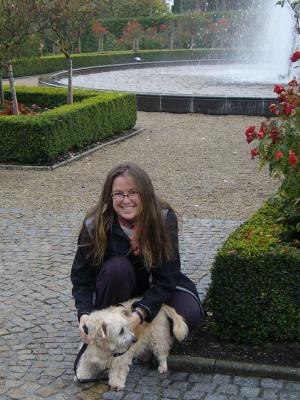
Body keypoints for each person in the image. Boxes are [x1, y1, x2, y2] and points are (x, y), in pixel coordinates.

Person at [71, 162, 204, 344]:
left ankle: (146, 339)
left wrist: (140, 313)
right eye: (118, 194)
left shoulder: (163, 218)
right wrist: (84, 314)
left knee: (189, 315)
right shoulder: (94, 224)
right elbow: (82, 278)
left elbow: (168, 276)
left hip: (156, 285)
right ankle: (110, 334)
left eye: (133, 193)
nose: (126, 200)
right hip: (117, 288)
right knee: (117, 269)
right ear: (109, 197)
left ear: (145, 194)